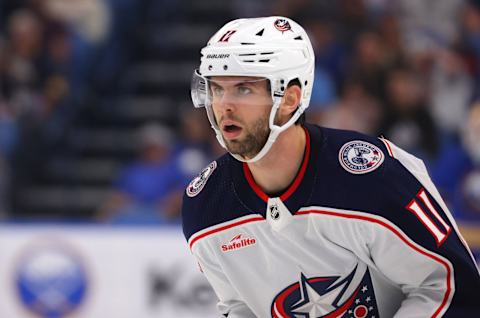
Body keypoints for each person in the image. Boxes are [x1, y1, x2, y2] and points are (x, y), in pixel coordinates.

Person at [181, 16, 480, 317]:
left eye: (243, 89)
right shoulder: (206, 206)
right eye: (217, 89)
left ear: (289, 99)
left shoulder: (374, 177)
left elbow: (452, 289)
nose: (224, 106)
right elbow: (239, 306)